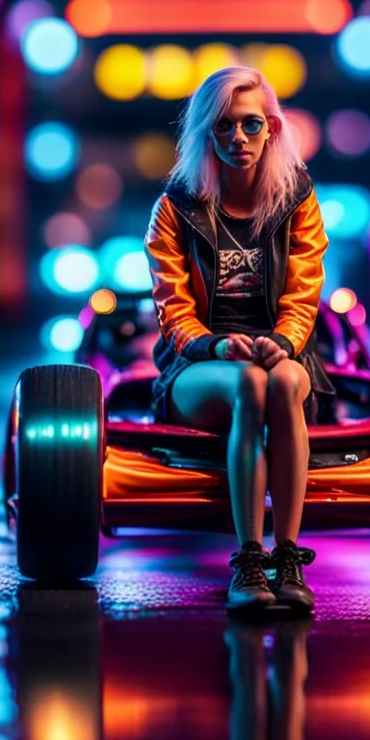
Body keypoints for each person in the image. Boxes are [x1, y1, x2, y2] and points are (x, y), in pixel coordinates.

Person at [144, 66, 334, 615]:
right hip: (200, 364)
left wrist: (285, 340)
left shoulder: (297, 197)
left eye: (251, 125)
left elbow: (304, 290)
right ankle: (250, 559)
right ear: (206, 132)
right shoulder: (175, 208)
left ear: (271, 129)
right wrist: (217, 346)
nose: (238, 139)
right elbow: (174, 312)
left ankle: (288, 555)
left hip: (285, 355)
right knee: (252, 382)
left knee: (285, 380)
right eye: (224, 127)